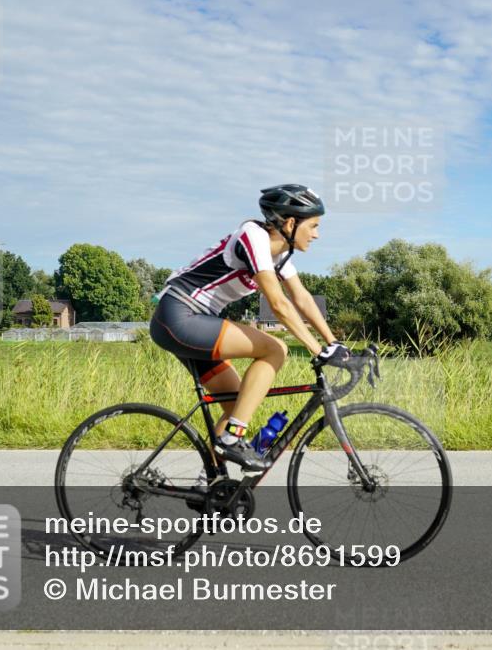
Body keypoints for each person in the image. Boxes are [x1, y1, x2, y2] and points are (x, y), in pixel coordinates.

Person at [149, 184, 351, 476]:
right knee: (275, 349)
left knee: (235, 406)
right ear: (291, 223)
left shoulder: (280, 255)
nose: (317, 234)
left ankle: (211, 486)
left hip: (194, 321)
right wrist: (317, 350)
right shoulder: (253, 236)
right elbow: (279, 304)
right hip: (180, 316)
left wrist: (334, 344)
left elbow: (302, 298)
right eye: (314, 226)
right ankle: (233, 438)